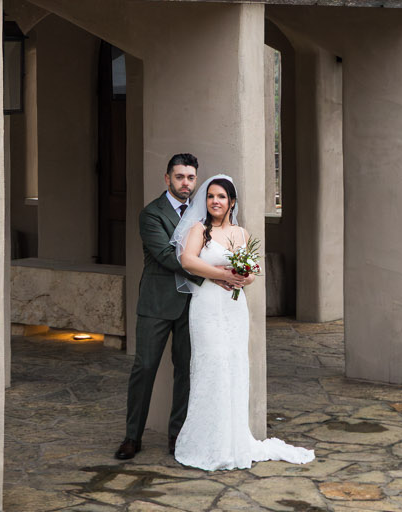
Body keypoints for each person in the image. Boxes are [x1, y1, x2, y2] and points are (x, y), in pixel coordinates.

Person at [172, 175, 314, 471]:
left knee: (234, 367)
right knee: (211, 366)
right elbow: (187, 261)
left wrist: (241, 277)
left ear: (232, 202)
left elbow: (250, 274)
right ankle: (207, 443)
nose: (215, 201)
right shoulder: (199, 229)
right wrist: (223, 274)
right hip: (208, 306)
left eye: (221, 197)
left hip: (234, 309)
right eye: (211, 196)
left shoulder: (241, 234)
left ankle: (233, 440)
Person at [115, 153, 211, 460]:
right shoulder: (151, 214)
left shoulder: (203, 213)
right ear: (167, 179)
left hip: (191, 304)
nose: (186, 183)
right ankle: (132, 437)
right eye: (180, 177)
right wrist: (214, 273)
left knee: (185, 370)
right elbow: (168, 256)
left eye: (191, 178)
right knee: (144, 368)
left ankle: (176, 435)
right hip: (156, 303)